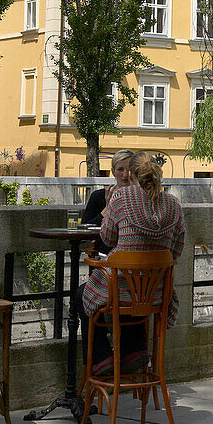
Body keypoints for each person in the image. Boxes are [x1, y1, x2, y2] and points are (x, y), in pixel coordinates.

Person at [78, 152, 185, 376]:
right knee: (134, 287)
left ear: (133, 174)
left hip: (123, 289)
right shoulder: (173, 204)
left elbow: (106, 239)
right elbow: (176, 250)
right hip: (156, 292)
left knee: (82, 295)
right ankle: (134, 351)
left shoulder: (121, 198)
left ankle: (101, 359)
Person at [82, 149, 134, 226]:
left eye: (130, 170)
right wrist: (108, 207)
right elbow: (85, 227)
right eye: (120, 170)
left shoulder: (142, 196)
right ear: (113, 172)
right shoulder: (98, 196)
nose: (125, 174)